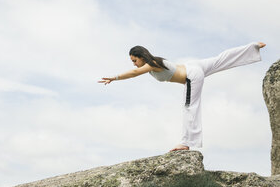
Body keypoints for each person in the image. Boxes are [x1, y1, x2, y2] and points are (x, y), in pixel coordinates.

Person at [98, 42, 266, 151]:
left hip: (191, 75)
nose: (134, 63)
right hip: (192, 66)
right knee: (219, 60)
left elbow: (135, 73)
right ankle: (253, 48)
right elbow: (136, 70)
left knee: (189, 108)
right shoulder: (154, 62)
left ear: (141, 58)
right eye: (132, 61)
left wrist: (115, 77)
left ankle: (186, 143)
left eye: (134, 60)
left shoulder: (150, 64)